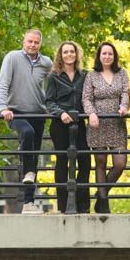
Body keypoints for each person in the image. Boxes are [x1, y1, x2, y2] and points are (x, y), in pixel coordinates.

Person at [0, 28, 53, 214]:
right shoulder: (12, 57)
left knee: (33, 156)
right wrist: (3, 107)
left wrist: (50, 107)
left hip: (38, 113)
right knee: (26, 134)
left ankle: (28, 203)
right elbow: (3, 83)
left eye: (36, 42)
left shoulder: (46, 63)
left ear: (40, 44)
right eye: (30, 41)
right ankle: (25, 161)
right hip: (15, 112)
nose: (32, 45)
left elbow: (55, 84)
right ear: (24, 41)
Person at [82, 42, 130, 214]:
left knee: (120, 164)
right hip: (97, 124)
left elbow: (125, 92)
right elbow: (86, 98)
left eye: (110, 54)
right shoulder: (92, 75)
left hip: (117, 123)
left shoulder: (122, 73)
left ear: (114, 56)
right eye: (104, 54)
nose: (107, 56)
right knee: (100, 162)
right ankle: (103, 202)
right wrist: (91, 113)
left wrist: (124, 106)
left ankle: (101, 192)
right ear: (99, 56)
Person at [45, 41, 91, 213]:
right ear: (60, 55)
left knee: (85, 161)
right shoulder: (53, 77)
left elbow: (88, 98)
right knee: (62, 163)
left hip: (80, 124)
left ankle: (82, 204)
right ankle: (64, 206)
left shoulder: (84, 75)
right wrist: (60, 113)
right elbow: (49, 102)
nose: (69, 55)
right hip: (60, 125)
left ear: (76, 54)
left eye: (72, 51)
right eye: (65, 52)